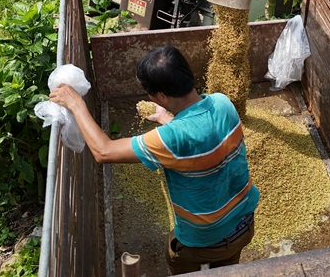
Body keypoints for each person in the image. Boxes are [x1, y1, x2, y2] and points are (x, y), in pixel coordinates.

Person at [49, 45, 259, 274]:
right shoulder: (222, 103)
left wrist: (76, 104)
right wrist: (165, 117)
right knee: (226, 270)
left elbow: (104, 151)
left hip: (202, 240)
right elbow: (201, 139)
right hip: (244, 224)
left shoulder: (171, 139)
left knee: (178, 261)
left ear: (161, 96)